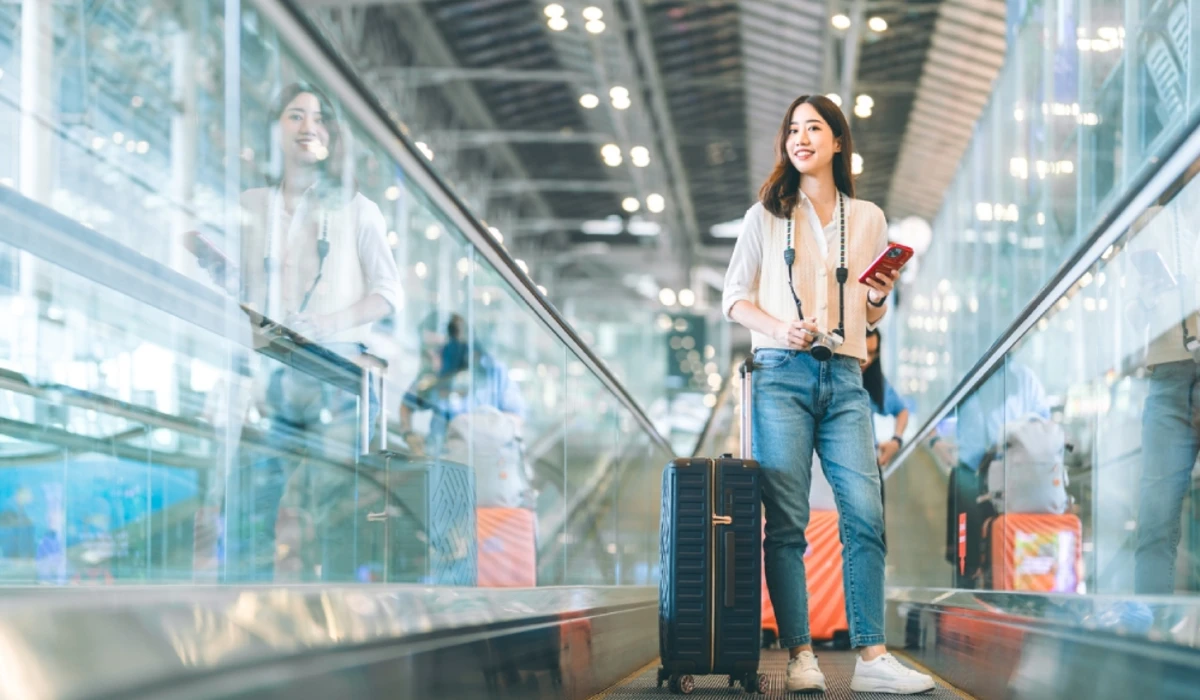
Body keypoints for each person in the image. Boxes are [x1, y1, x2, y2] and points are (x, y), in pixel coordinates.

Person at [722, 94, 933, 694]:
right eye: (794, 128)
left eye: (814, 128)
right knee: (786, 523)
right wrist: (777, 327)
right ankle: (800, 655)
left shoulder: (867, 217)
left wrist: (879, 294)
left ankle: (870, 657)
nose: (801, 137)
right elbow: (733, 297)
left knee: (864, 513)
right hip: (779, 372)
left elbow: (869, 318)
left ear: (838, 142)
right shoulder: (764, 215)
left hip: (844, 376)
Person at [861, 329, 909, 467]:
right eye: (864, 352)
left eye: (872, 353)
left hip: (870, 466)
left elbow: (902, 411)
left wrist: (896, 440)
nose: (868, 360)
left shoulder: (872, 381)